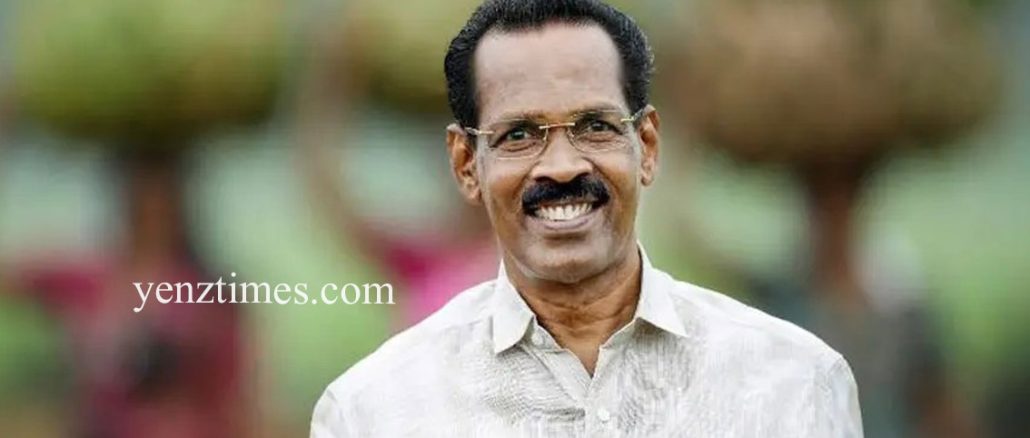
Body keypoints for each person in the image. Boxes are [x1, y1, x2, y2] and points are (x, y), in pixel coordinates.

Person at [311, 1, 862, 436]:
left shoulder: (797, 382)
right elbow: (328, 189)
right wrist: (333, 73)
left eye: (596, 127)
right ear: (466, 165)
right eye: (518, 135)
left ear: (647, 147)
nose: (562, 166)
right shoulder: (370, 410)